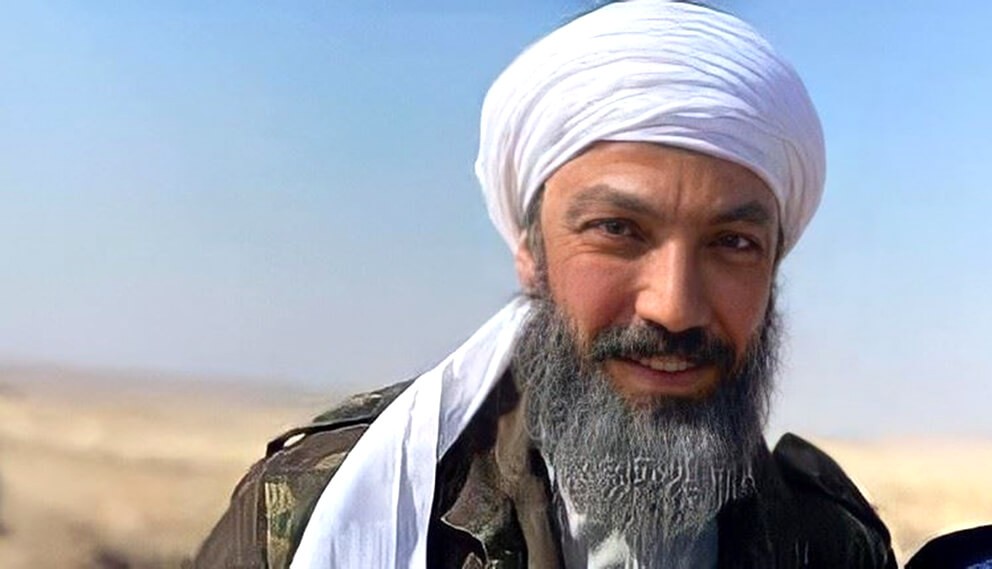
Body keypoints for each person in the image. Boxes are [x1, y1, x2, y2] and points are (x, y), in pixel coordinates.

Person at [195, 1, 897, 567]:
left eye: (733, 243)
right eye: (617, 230)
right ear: (531, 252)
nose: (675, 306)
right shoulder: (322, 507)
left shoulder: (833, 546)